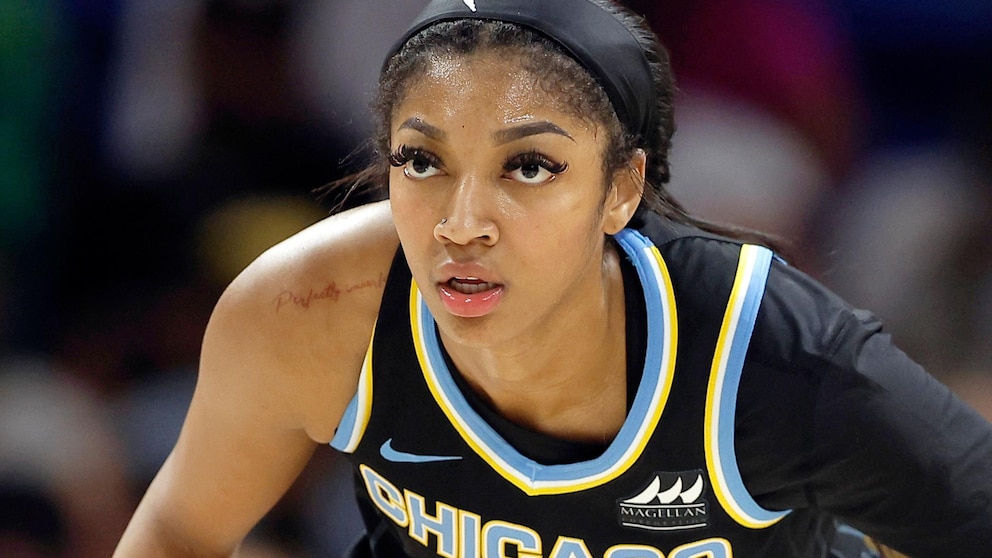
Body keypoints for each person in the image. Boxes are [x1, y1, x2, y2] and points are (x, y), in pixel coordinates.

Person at [113, 0, 992, 556]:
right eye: (422, 161)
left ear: (622, 190)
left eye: (528, 167)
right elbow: (179, 532)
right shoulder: (311, 307)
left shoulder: (773, 355)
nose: (462, 222)